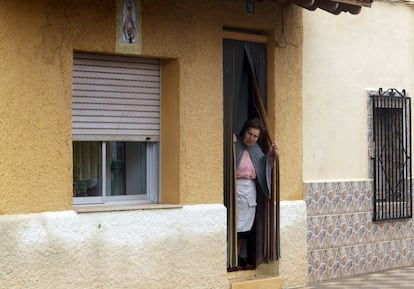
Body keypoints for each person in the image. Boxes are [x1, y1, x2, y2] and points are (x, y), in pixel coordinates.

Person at [233, 118, 278, 268]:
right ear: (244, 131)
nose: (251, 138)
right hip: (235, 188)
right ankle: (231, 259)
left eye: (255, 136)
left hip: (249, 190)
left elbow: (264, 165)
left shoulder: (257, 150)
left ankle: (238, 257)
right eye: (249, 133)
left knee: (244, 229)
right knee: (233, 226)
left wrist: (271, 155)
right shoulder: (234, 144)